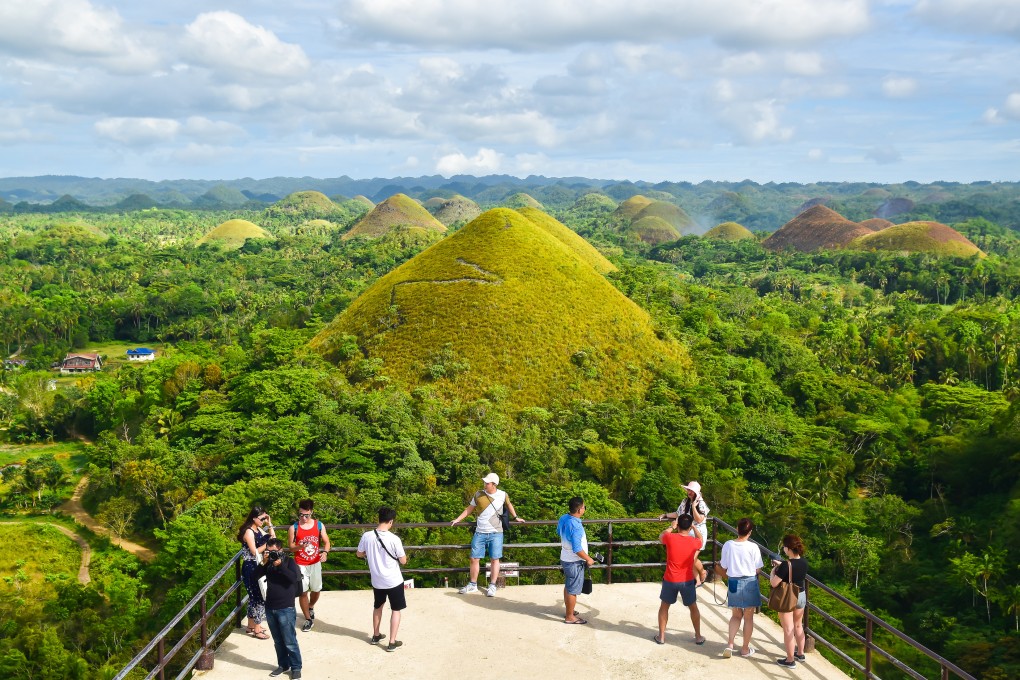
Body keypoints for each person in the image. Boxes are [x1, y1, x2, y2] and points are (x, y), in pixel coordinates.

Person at [450, 472, 525, 597]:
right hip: (480, 531)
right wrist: (458, 519)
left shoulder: (502, 495)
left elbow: (509, 504)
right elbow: (470, 508)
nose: (485, 484)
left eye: (487, 483)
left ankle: (492, 585)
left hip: (496, 532)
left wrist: (516, 517)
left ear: (494, 484)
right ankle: (473, 584)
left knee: (495, 559)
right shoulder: (478, 494)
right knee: (474, 558)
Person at [357, 506, 408, 652]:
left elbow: (359, 554)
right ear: (391, 521)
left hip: (377, 580)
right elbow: (403, 561)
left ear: (378, 519)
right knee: (396, 610)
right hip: (393, 580)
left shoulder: (367, 536)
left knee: (378, 606)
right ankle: (392, 642)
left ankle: (376, 635)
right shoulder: (394, 539)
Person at [716, 517, 764, 659]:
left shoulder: (728, 545)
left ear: (737, 529)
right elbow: (758, 569)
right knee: (748, 617)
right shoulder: (753, 547)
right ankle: (744, 649)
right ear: (750, 532)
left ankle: (730, 644)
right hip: (749, 582)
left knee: (736, 615)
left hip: (733, 581)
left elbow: (723, 566)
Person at [654, 514, 705, 646]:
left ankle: (661, 637)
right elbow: (701, 539)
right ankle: (698, 636)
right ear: (689, 528)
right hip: (687, 580)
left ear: (678, 526)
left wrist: (671, 527)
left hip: (670, 579)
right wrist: (694, 527)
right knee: (693, 607)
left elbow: (661, 536)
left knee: (664, 607)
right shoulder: (694, 542)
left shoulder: (670, 538)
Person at [256, 538, 302, 679]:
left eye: (274, 551)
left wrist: (280, 565)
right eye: (268, 551)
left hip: (286, 607)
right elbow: (255, 576)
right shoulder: (268, 563)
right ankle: (283, 665)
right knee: (278, 641)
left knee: (290, 640)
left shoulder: (289, 562)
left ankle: (296, 667)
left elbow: (294, 578)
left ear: (281, 550)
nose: (271, 554)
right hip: (270, 607)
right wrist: (264, 563)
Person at [288, 498, 331, 632]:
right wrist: (299, 546)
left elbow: (326, 542)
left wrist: (325, 552)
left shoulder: (319, 525)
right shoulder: (293, 528)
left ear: (311, 512)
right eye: (301, 514)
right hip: (300, 564)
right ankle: (308, 619)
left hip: (315, 563)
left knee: (316, 589)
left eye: (306, 515)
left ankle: (310, 606)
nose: (303, 518)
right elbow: (290, 547)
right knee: (302, 592)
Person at [659, 481, 709, 585]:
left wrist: (694, 507)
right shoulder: (685, 501)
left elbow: (699, 519)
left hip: (698, 532)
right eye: (688, 490)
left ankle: (702, 572)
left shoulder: (701, 504)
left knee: (691, 558)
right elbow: (678, 513)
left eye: (691, 490)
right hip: (686, 531)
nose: (689, 492)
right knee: (689, 557)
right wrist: (666, 515)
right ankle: (698, 580)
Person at [770, 534, 808, 668]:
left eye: (784, 547)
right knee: (798, 625)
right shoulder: (803, 562)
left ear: (788, 548)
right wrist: (782, 566)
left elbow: (774, 583)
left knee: (788, 629)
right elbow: (793, 569)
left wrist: (774, 570)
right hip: (801, 595)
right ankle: (800, 653)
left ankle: (790, 660)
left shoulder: (786, 565)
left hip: (788, 598)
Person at [237, 506, 274, 640]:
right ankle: (257, 629)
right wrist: (268, 544)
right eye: (262, 518)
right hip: (250, 566)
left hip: (257, 565)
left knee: (254, 596)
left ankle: (251, 625)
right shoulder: (249, 532)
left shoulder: (258, 529)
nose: (263, 521)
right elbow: (254, 551)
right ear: (254, 518)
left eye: (265, 518)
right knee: (258, 597)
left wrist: (270, 524)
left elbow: (273, 539)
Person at [557, 496, 595, 624]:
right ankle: (570, 617)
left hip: (565, 557)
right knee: (573, 589)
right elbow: (577, 548)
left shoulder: (564, 518)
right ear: (579, 510)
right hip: (574, 561)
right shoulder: (576, 525)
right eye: (584, 507)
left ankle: (569, 611)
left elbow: (559, 532)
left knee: (569, 585)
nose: (584, 509)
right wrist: (588, 559)